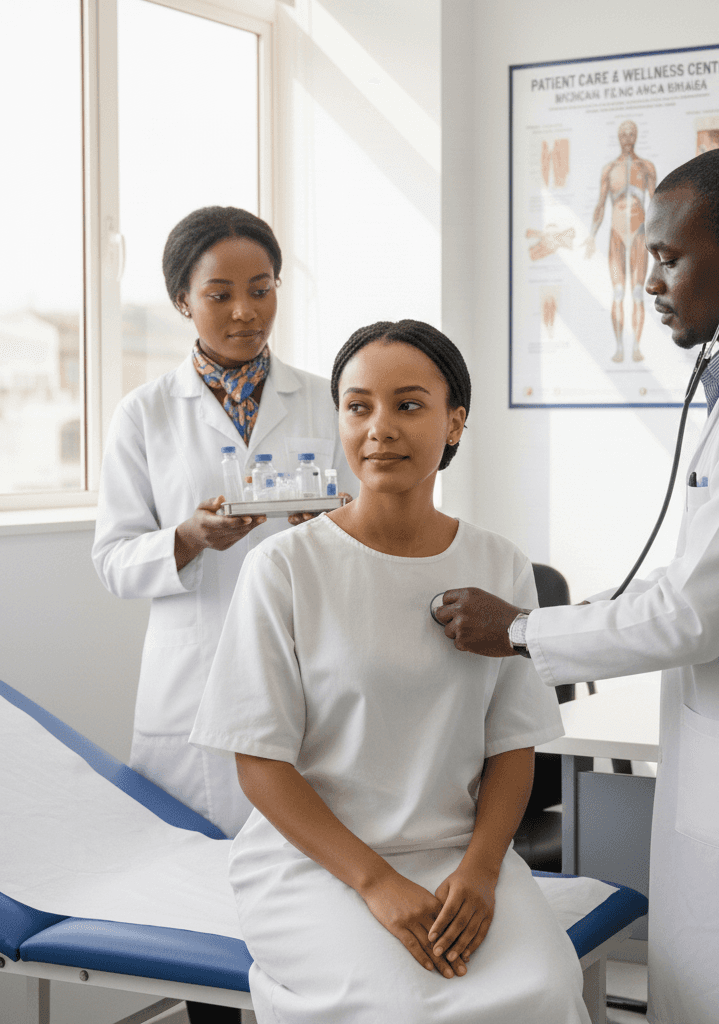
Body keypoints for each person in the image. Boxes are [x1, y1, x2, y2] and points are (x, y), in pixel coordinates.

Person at [436, 149, 719, 1024]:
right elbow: (695, 576)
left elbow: (696, 612)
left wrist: (526, 632)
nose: (649, 280)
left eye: (667, 257)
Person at [189, 321, 589, 1024]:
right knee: (402, 1009)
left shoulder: (499, 564)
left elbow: (513, 745)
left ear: (454, 421)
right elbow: (260, 765)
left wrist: (484, 869)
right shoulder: (285, 569)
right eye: (358, 406)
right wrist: (376, 882)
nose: (380, 429)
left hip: (456, 852)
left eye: (408, 405)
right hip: (317, 864)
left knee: (545, 991)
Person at [93, 206, 354, 845]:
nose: (246, 311)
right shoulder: (144, 413)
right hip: (195, 671)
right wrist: (186, 539)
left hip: (311, 663)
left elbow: (379, 524)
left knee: (308, 863)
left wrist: (336, 520)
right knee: (191, 867)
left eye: (262, 290)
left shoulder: (330, 399)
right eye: (221, 294)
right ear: (183, 300)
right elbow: (113, 560)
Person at [582, 120, 657, 363]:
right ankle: (618, 348)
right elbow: (600, 204)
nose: (627, 137)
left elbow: (657, 205)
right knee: (617, 292)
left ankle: (635, 347)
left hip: (640, 233)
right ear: (618, 136)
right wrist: (592, 235)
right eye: (623, 133)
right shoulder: (609, 168)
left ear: (636, 136)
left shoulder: (646, 167)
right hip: (616, 232)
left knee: (637, 293)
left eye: (631, 133)